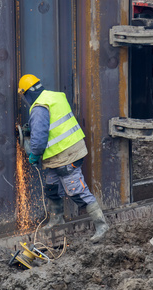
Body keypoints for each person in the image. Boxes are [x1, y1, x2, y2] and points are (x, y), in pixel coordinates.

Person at [18, 74, 109, 243]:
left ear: (26, 93)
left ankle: (102, 225)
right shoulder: (54, 97)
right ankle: (56, 219)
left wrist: (34, 155)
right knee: (52, 187)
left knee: (76, 190)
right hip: (63, 152)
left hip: (66, 154)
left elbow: (39, 140)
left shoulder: (39, 108)